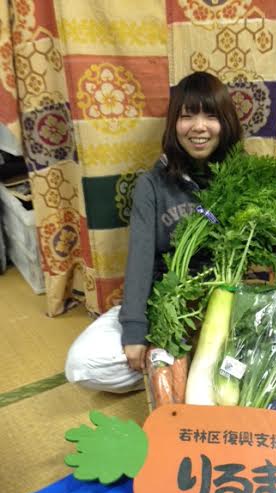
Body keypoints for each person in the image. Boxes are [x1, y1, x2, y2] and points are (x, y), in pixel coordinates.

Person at [65, 71, 243, 393]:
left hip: (225, 309)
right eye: (187, 116)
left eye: (211, 116)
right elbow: (140, 257)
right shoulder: (152, 184)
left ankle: (179, 369)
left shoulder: (245, 179)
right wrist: (135, 330)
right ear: (174, 124)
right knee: (83, 364)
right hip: (164, 304)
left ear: (226, 122)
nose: (199, 127)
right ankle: (180, 368)